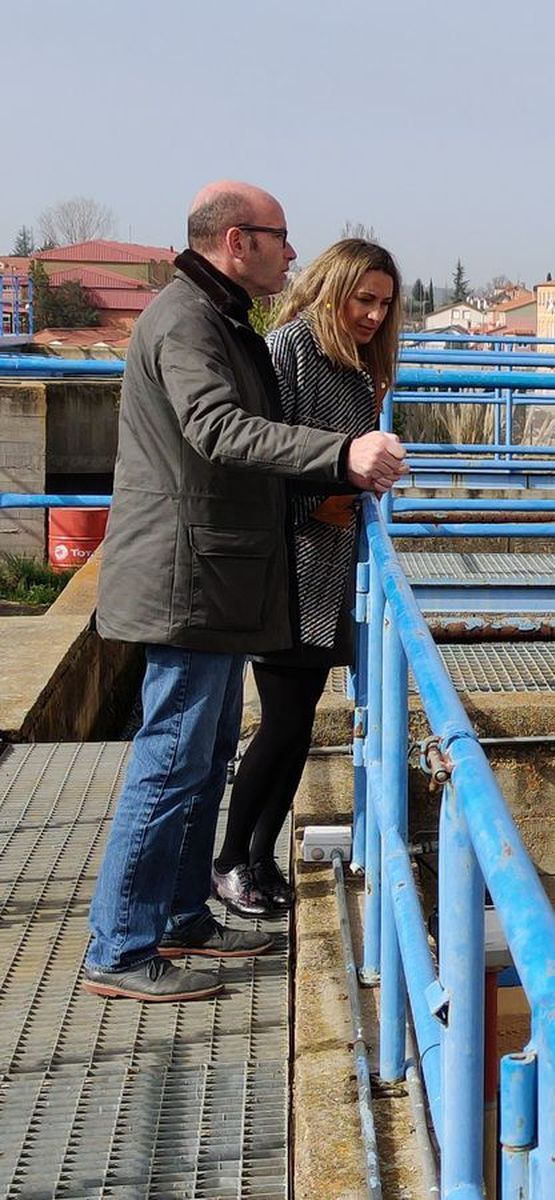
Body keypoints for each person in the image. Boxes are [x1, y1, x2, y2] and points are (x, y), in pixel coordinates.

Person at [83, 182, 407, 1003]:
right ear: (238, 240)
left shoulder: (219, 318)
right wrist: (341, 459)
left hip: (217, 580)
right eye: (280, 238)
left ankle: (184, 914)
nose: (292, 253)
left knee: (202, 759)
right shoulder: (189, 320)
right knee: (171, 761)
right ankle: (120, 947)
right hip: (186, 579)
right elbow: (217, 430)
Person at [211, 239, 401, 917]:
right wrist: (312, 503)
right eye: (363, 299)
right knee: (282, 722)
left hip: (331, 570)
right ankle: (231, 860)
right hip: (289, 567)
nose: (375, 315)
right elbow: (257, 452)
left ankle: (260, 856)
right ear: (333, 289)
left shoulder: (357, 367)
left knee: (297, 725)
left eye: (384, 303)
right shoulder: (289, 348)